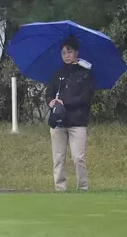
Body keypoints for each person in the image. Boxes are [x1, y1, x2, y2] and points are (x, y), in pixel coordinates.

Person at [46, 35, 95, 192]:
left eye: (69, 51)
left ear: (76, 53)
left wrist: (65, 103)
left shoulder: (85, 74)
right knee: (58, 158)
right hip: (58, 122)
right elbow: (49, 94)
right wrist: (51, 102)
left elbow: (86, 97)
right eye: (63, 52)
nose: (66, 55)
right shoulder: (56, 74)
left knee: (78, 157)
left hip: (78, 121)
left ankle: (82, 187)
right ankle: (60, 188)